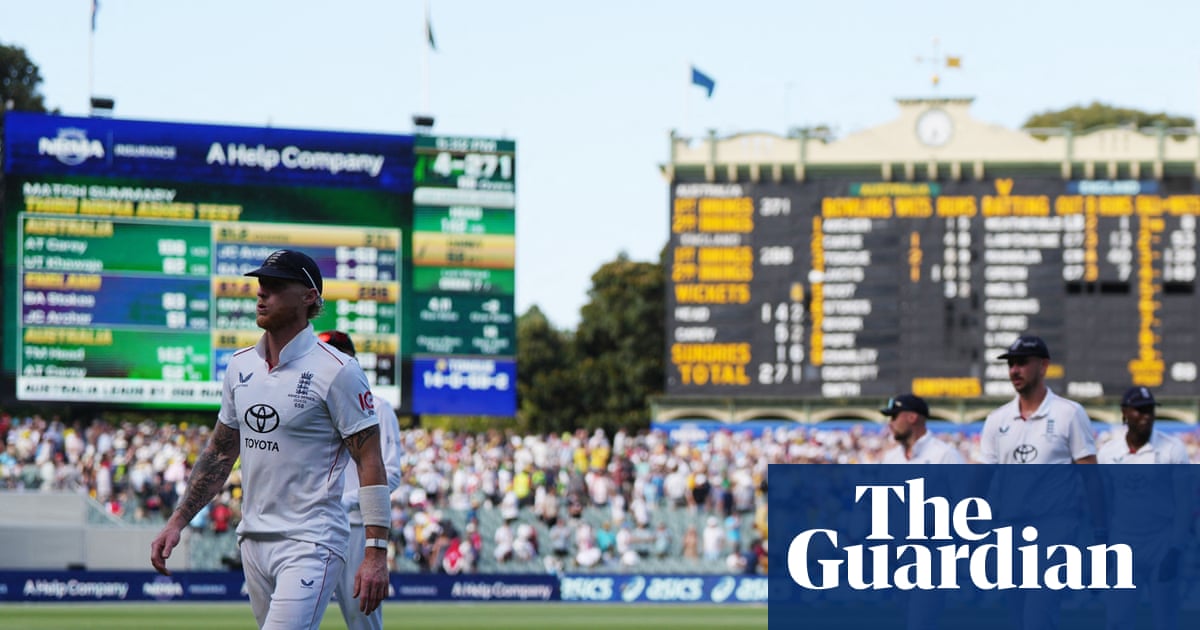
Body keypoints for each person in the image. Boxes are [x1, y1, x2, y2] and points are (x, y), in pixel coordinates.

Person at [150, 249, 390, 629]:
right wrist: (178, 520)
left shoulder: (339, 370)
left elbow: (370, 460)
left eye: (276, 286)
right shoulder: (240, 365)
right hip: (253, 540)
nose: (262, 294)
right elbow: (220, 452)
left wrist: (376, 552)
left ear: (309, 296)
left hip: (312, 540)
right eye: (261, 285)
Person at [978, 334, 1101, 630]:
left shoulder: (1069, 414)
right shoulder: (997, 420)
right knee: (1016, 615)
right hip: (1009, 529)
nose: (1014, 371)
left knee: (1038, 612)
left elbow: (1092, 479)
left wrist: (1100, 529)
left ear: (1043, 366)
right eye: (1011, 365)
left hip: (1053, 527)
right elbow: (982, 480)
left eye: (1021, 363)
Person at [318, 330, 405, 630]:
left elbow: (391, 472)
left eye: (333, 353)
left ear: (350, 358)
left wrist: (347, 500)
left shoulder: (378, 407)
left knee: (360, 616)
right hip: (313, 523)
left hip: (356, 525)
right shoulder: (310, 405)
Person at [1098, 386, 1190, 630]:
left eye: (1149, 410)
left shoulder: (1172, 449)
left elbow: (1185, 503)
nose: (1146, 416)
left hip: (1162, 542)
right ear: (1125, 413)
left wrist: (1176, 548)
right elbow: (1103, 504)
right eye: (1139, 410)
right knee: (1118, 620)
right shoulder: (1108, 453)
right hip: (1122, 544)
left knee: (1165, 621)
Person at [879, 394, 964, 464]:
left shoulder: (945, 455)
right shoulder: (891, 458)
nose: (890, 423)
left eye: (894, 417)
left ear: (912, 417)